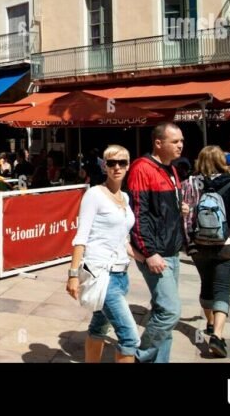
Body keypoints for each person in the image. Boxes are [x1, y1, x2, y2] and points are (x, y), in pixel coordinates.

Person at [66, 145, 139, 363]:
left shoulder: (125, 198)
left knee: (99, 326)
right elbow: (81, 236)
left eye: (122, 163)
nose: (117, 167)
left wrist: (146, 259)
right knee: (130, 338)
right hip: (102, 275)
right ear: (104, 166)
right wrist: (72, 274)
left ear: (128, 166)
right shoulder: (94, 195)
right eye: (111, 163)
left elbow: (122, 239)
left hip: (121, 274)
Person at [127, 122, 189, 363]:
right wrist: (150, 252)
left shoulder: (171, 169)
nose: (180, 145)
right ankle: (139, 357)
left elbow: (159, 209)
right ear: (158, 143)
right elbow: (139, 214)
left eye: (181, 140)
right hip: (157, 252)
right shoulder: (142, 168)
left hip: (172, 249)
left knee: (163, 311)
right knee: (171, 311)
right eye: (175, 141)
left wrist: (179, 208)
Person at [185, 146, 230, 358]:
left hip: (198, 245)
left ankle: (211, 323)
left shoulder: (189, 183)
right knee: (222, 288)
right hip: (227, 243)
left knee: (206, 284)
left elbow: (185, 216)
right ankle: (218, 335)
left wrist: (188, 241)